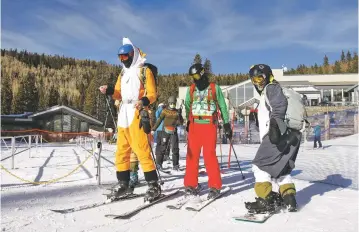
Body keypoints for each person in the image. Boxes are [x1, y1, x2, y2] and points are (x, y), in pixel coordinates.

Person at [98, 37, 160, 202]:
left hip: (137, 111)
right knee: (121, 151)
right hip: (123, 113)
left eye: (125, 56)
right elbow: (118, 92)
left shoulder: (144, 70)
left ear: (133, 54)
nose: (123, 60)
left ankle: (153, 185)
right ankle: (123, 184)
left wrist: (144, 101)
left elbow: (152, 93)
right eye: (120, 57)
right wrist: (109, 90)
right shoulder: (123, 72)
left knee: (141, 149)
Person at [245, 64, 301, 213]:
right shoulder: (270, 91)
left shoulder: (271, 88)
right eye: (254, 79)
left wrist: (275, 127)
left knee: (259, 165)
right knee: (281, 168)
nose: (257, 82)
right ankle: (289, 198)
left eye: (260, 77)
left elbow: (280, 105)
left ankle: (266, 200)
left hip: (278, 135)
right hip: (292, 134)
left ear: (268, 75)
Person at [184, 63, 232, 199]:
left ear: (203, 72)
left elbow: (222, 106)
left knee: (209, 155)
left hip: (209, 124)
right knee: (191, 156)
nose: (195, 78)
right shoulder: (191, 89)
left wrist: (227, 123)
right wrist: (187, 121)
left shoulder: (214, 88)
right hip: (194, 125)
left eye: (197, 75)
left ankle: (215, 186)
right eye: (192, 76)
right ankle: (190, 184)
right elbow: (187, 105)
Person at [151, 96, 184, 171]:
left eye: (174, 103)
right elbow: (159, 120)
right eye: (171, 103)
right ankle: (159, 164)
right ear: (169, 103)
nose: (173, 104)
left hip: (173, 132)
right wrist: (153, 129)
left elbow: (180, 123)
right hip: (165, 131)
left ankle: (175, 165)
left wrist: (180, 115)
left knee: (175, 148)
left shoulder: (176, 112)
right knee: (163, 147)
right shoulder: (165, 111)